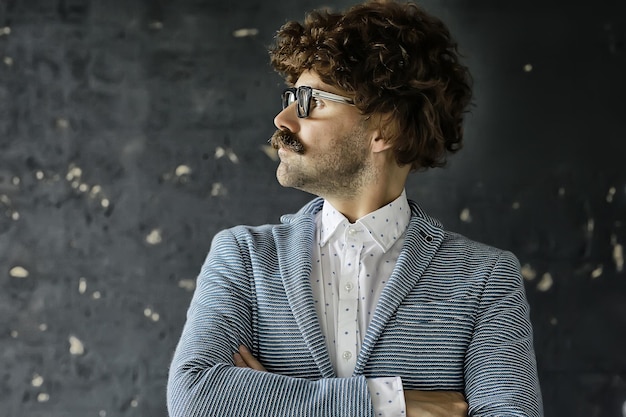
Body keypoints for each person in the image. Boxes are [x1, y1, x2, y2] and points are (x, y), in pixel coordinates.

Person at [167, 0, 543, 416]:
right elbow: (194, 396)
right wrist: (389, 405)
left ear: (385, 127)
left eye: (311, 101)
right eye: (291, 97)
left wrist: (268, 399)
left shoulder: (485, 279)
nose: (283, 119)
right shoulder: (244, 258)